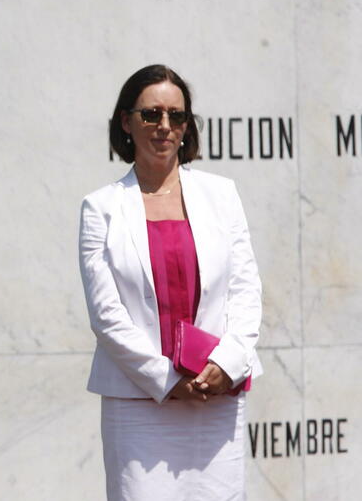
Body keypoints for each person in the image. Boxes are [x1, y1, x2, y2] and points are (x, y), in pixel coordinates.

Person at [78, 64, 263, 500]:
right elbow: (106, 315)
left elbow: (245, 290)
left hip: (215, 398)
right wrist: (165, 379)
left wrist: (228, 363)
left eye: (176, 115)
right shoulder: (100, 208)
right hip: (139, 402)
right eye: (151, 114)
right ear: (126, 122)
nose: (164, 126)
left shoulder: (222, 195)